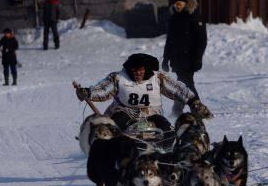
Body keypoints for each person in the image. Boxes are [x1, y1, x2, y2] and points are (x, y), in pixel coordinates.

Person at [75, 52, 208, 132]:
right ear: (129, 69)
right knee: (115, 126)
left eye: (141, 70)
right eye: (134, 70)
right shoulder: (118, 77)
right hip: (124, 111)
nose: (138, 73)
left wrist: (192, 100)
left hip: (151, 113)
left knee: (166, 128)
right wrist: (88, 92)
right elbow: (103, 89)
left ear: (146, 69)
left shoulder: (158, 77)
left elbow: (177, 88)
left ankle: (167, 149)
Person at [162, 0, 207, 110]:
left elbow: (201, 40)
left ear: (185, 4)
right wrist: (165, 60)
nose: (178, 6)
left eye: (180, 3)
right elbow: (169, 41)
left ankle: (197, 111)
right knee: (182, 85)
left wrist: (197, 58)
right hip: (177, 60)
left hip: (189, 59)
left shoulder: (193, 16)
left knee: (187, 85)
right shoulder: (173, 18)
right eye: (176, 3)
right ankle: (177, 111)